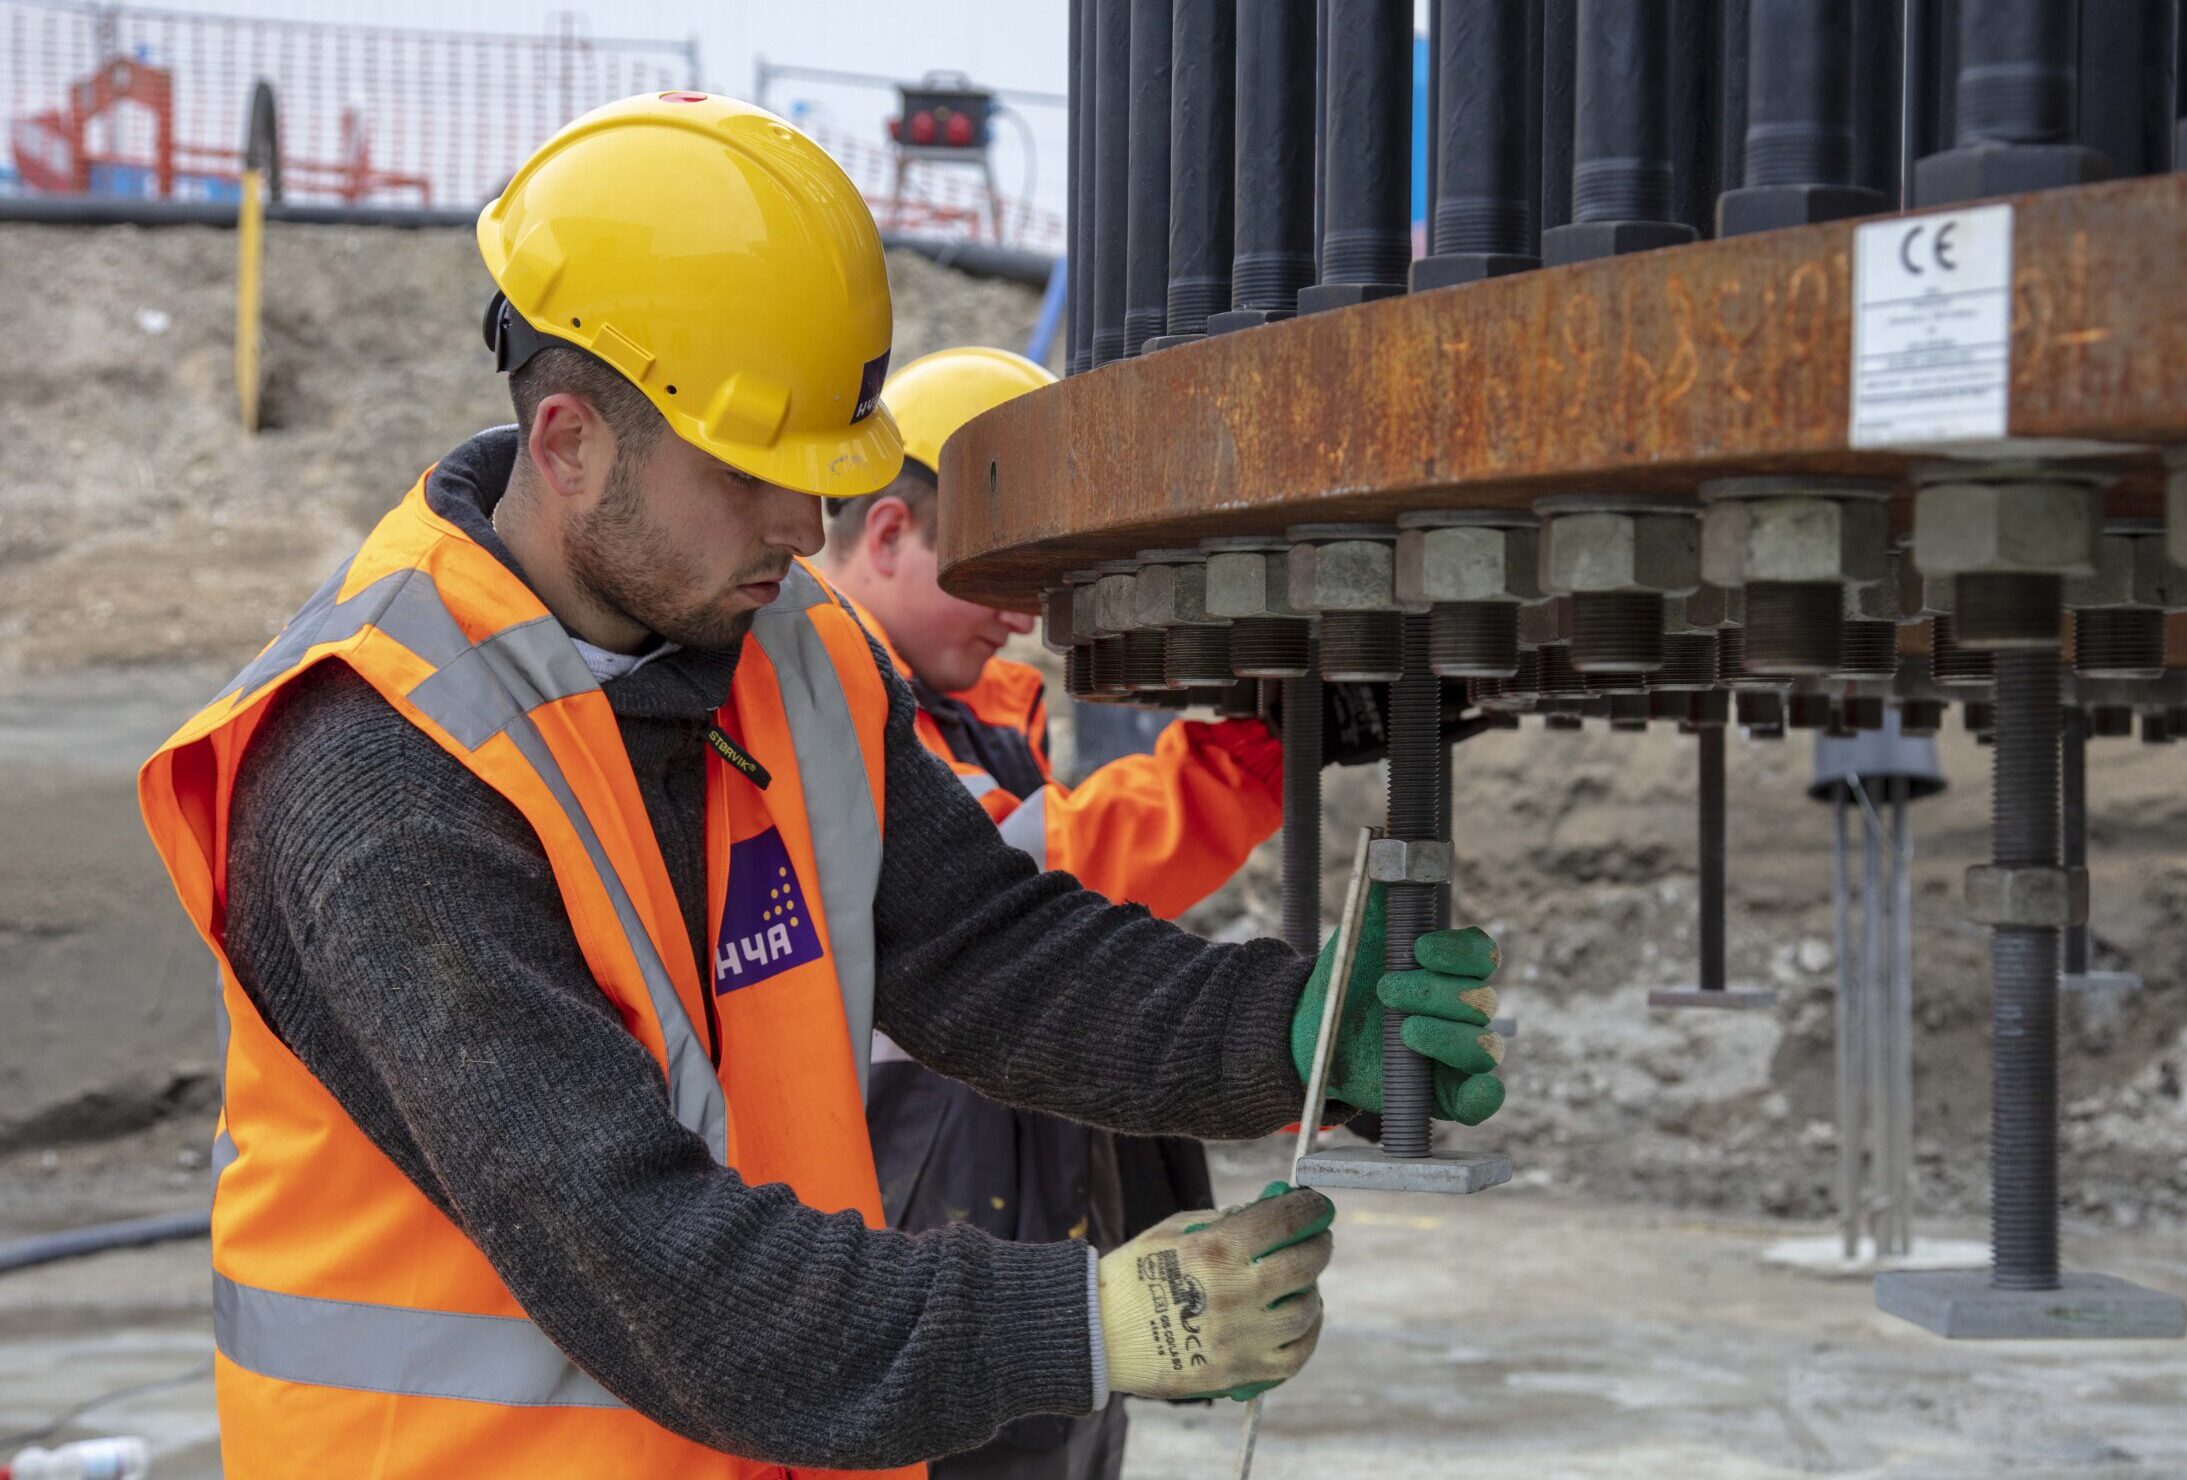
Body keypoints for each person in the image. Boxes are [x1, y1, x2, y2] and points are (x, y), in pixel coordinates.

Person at [134, 92, 1508, 1479]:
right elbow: (649, 1262)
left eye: (823, 478)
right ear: (568, 444)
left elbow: (983, 950)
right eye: (752, 475)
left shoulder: (787, 651)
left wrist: (1282, 1032)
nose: (807, 530)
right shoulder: (379, 766)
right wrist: (1091, 1322)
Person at [820, 347, 1281, 1479]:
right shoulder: (821, 695)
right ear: (888, 533)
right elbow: (1036, 878)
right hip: (921, 1223)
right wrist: (1257, 754)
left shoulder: (969, 710)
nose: (1020, 624)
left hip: (998, 1198)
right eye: (998, 579)